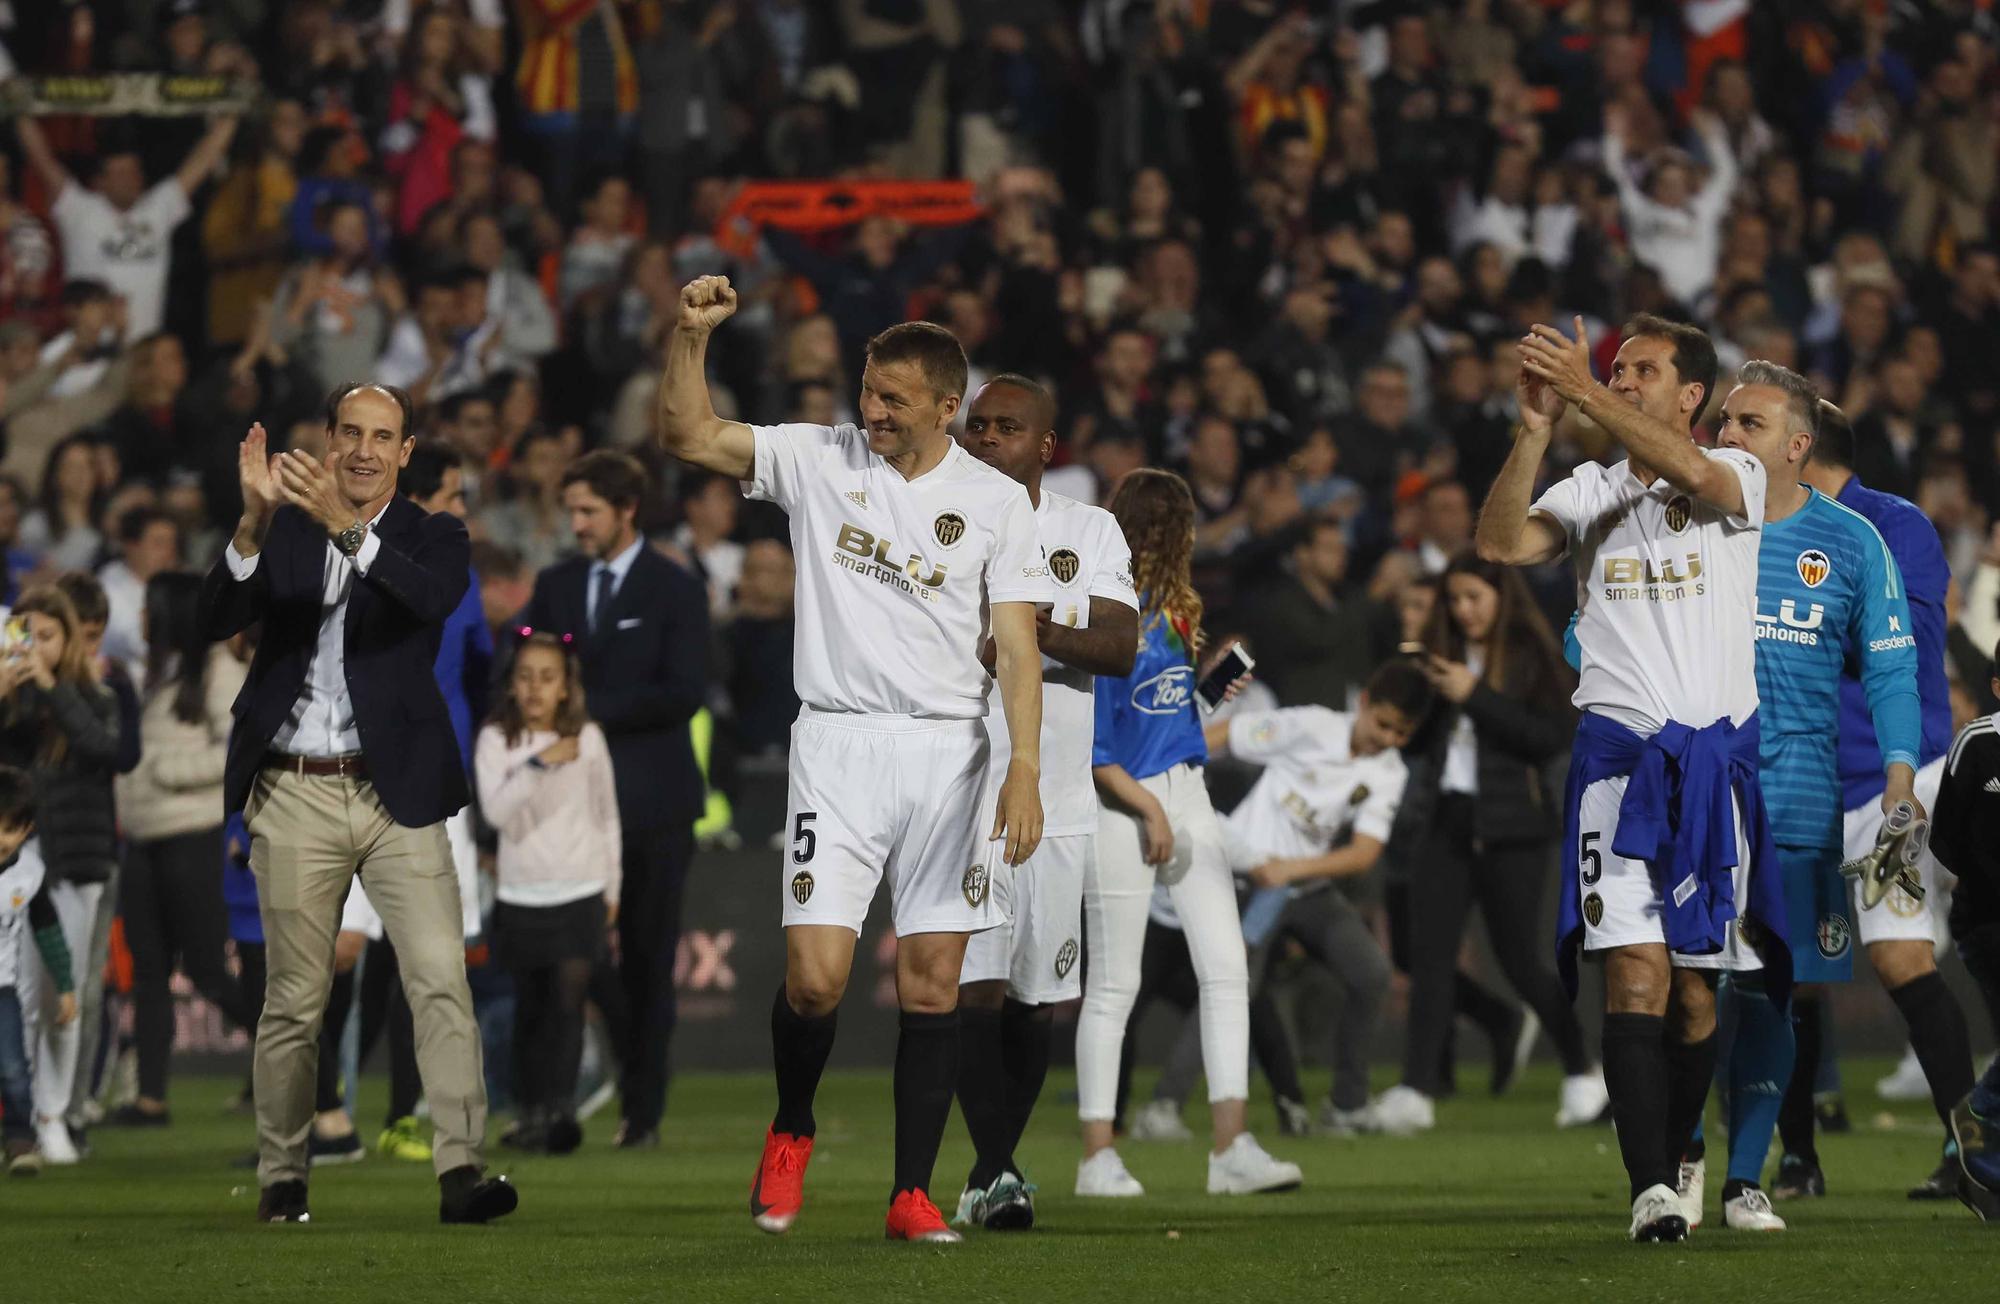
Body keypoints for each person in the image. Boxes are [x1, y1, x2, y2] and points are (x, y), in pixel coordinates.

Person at [658, 276, 1047, 1244]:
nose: (868, 411)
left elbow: (1019, 646)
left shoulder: (995, 503)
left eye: (891, 400)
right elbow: (689, 435)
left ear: (945, 408)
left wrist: (1024, 766)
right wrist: (688, 337)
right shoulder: (817, 456)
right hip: (837, 741)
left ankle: (909, 1193)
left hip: (950, 753)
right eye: (866, 392)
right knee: (815, 980)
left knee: (931, 983)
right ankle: (792, 1125)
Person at [1477, 314, 1789, 1243]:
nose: (1621, 379)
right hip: (1619, 765)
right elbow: (1501, 546)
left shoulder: (1737, 475)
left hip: (1714, 769)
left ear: (1691, 395)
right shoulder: (1591, 487)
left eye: (1641, 370)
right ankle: (1651, 1188)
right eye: (1616, 369)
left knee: (1699, 993)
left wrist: (1582, 393)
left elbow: (1689, 473)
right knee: (1636, 979)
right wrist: (1534, 432)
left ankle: (1682, 1148)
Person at [198, 386, 515, 1226]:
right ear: (329, 439)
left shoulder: (435, 534)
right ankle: (283, 1174)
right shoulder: (286, 526)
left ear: (407, 452)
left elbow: (425, 600)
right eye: (352, 433)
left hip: (396, 790)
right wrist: (252, 522)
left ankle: (461, 1172)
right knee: (294, 999)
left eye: (384, 437)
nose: (367, 449)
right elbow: (213, 616)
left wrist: (345, 522)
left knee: (441, 977)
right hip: (294, 787)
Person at [1681, 363, 1923, 1233]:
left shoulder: (1854, 543)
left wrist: (1899, 775)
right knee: (1691, 988)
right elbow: (1587, 640)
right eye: (1723, 421)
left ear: (1796, 446)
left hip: (1801, 802)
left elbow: (1893, 666)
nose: (1727, 437)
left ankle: (1748, 1175)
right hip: (1697, 801)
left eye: (1749, 425)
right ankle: (1685, 1154)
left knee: (1774, 992)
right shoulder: (1685, 525)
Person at [1074, 468, 1302, 1201]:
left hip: (1186, 794)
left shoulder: (1174, 611)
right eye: (1184, 529)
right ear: (1165, 533)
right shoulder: (1102, 613)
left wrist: (1205, 690)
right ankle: (1095, 1156)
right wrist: (1148, 811)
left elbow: (1167, 719)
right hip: (1125, 806)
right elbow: (1097, 745)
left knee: (1227, 967)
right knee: (1115, 983)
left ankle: (1230, 1146)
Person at [950, 375, 1138, 1231]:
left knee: (1037, 998)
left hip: (1058, 798)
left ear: (1045, 447)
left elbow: (1120, 646)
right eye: (977, 424)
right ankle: (998, 1173)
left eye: (1006, 427)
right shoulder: (934, 519)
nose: (987, 438)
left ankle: (992, 1169)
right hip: (961, 794)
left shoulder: (1087, 529)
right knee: (973, 990)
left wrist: (1026, 629)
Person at [1786, 397, 1975, 1206]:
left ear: (1803, 448)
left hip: (1887, 789)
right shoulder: (1764, 527)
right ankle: (1796, 1159)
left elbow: (1908, 647)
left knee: (1902, 960)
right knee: (1788, 976)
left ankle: (1964, 1147)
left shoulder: (1892, 526)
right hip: (1799, 789)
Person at [518, 449, 708, 1151]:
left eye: (588, 511)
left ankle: (642, 1113)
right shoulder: (556, 584)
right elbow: (526, 667)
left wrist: (588, 710)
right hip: (568, 809)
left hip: (654, 806)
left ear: (627, 510)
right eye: (571, 510)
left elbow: (685, 690)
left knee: (649, 960)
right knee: (573, 956)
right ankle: (552, 1102)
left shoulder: (673, 588)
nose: (576, 524)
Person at [1378, 554, 1603, 1135]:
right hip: (1446, 819)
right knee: (1430, 962)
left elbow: (1549, 738)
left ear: (1502, 597)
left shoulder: (1533, 656)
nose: (1463, 610)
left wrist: (1474, 694)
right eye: (1454, 600)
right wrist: (1420, 689)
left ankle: (1583, 1070)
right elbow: (1412, 744)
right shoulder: (1439, 659)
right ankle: (1415, 1090)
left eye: (1473, 597)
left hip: (1515, 827)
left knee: (1522, 961)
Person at [1203, 660, 1432, 1135]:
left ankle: (1346, 1105)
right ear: (1364, 702)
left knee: (1371, 974)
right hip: (1248, 881)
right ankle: (1168, 1107)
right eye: (1384, 724)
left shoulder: (1388, 772)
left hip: (1302, 888)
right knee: (1233, 988)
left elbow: (1364, 853)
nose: (1388, 738)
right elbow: (1224, 734)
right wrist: (1174, 780)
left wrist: (1294, 870)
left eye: (1402, 733)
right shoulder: (1310, 726)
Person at [110, 572, 257, 1125]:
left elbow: (243, 751)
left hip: (193, 838)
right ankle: (150, 1099)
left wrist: (167, 772)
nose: (143, 619)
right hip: (143, 838)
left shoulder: (220, 671)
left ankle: (297, 1063)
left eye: (150, 607)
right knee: (147, 972)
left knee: (206, 971)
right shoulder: (154, 675)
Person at [476, 631, 619, 1154]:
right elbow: (495, 812)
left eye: (547, 678)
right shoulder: (498, 740)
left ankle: (561, 1112)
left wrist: (613, 886)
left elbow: (607, 818)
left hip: (580, 888)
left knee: (568, 1004)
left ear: (565, 688)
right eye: (526, 677)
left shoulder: (590, 739)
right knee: (529, 1010)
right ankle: (531, 1112)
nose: (535, 689)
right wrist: (540, 764)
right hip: (521, 893)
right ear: (512, 685)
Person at [0, 585, 122, 1164]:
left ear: (68, 640)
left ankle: (53, 1115)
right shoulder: (13, 701)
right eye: (28, 634)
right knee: (16, 993)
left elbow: (105, 750)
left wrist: (53, 690)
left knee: (63, 995)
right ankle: (21, 1118)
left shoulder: (96, 695)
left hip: (76, 862)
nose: (36, 647)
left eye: (47, 636)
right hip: (19, 860)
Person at [13, 115, 239, 338]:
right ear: (99, 182)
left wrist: (234, 110)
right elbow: (41, 158)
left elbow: (204, 158)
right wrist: (17, 107)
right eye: (120, 173)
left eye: (134, 171)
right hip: (89, 352)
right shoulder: (79, 210)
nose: (130, 179)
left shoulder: (157, 209)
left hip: (143, 352)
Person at [1932, 642, 2000, 1221]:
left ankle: (1985, 1179)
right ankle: (1979, 1109)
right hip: (1989, 922)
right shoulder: (1977, 742)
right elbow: (1943, 838)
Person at [0, 764, 78, 1175]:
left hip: (3, 988)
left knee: (13, 1067)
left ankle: (19, 1140)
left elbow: (48, 930)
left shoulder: (29, 875)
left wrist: (65, 985)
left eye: (10, 827)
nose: (1, 837)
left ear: (27, 828)